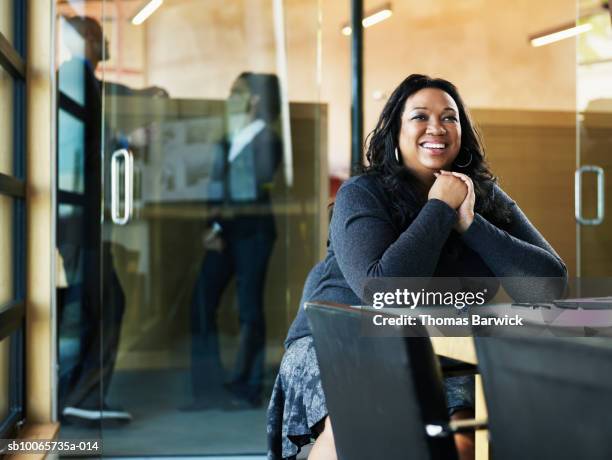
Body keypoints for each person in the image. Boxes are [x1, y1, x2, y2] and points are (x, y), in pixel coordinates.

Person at [267, 74, 567, 460]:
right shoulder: (362, 194)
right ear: (395, 130)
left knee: (465, 438)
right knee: (357, 424)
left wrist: (471, 223)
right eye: (420, 116)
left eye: (449, 117)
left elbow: (548, 286)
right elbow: (384, 292)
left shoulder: (482, 196)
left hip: (440, 343)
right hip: (339, 338)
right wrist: (439, 208)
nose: (436, 128)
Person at [57, 15, 166, 424]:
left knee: (95, 302)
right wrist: (128, 143)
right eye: (100, 36)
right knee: (100, 303)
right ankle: (81, 394)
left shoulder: (80, 78)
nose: (107, 44)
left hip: (79, 216)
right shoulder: (73, 77)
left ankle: (78, 391)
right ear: (85, 38)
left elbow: (99, 109)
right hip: (76, 216)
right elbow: (84, 139)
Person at [185, 72, 283, 410]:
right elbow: (216, 188)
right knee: (201, 302)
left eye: (236, 91)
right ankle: (208, 387)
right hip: (224, 231)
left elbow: (248, 192)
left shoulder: (266, 140)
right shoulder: (228, 138)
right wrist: (210, 225)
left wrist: (218, 222)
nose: (229, 98)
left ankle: (248, 385)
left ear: (254, 100)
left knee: (249, 309)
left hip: (252, 232)